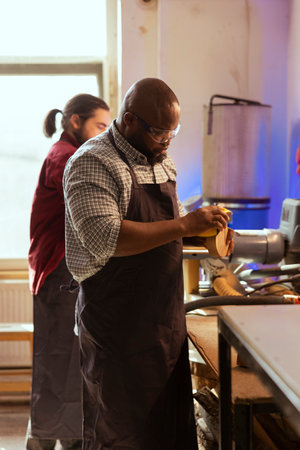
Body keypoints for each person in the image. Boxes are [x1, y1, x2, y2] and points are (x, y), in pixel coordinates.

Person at [63, 78, 234, 449]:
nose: (168, 140)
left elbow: (169, 224)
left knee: (165, 432)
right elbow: (107, 239)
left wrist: (207, 232)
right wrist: (186, 224)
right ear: (129, 121)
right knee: (120, 434)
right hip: (117, 329)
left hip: (162, 325)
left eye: (174, 131)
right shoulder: (93, 162)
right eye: (159, 132)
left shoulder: (162, 160)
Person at [26, 94, 110, 450]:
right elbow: (89, 202)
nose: (104, 136)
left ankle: (68, 437)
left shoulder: (69, 155)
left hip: (63, 271)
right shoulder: (66, 158)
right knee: (58, 360)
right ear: (75, 122)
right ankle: (45, 440)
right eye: (100, 127)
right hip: (58, 271)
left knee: (70, 359)